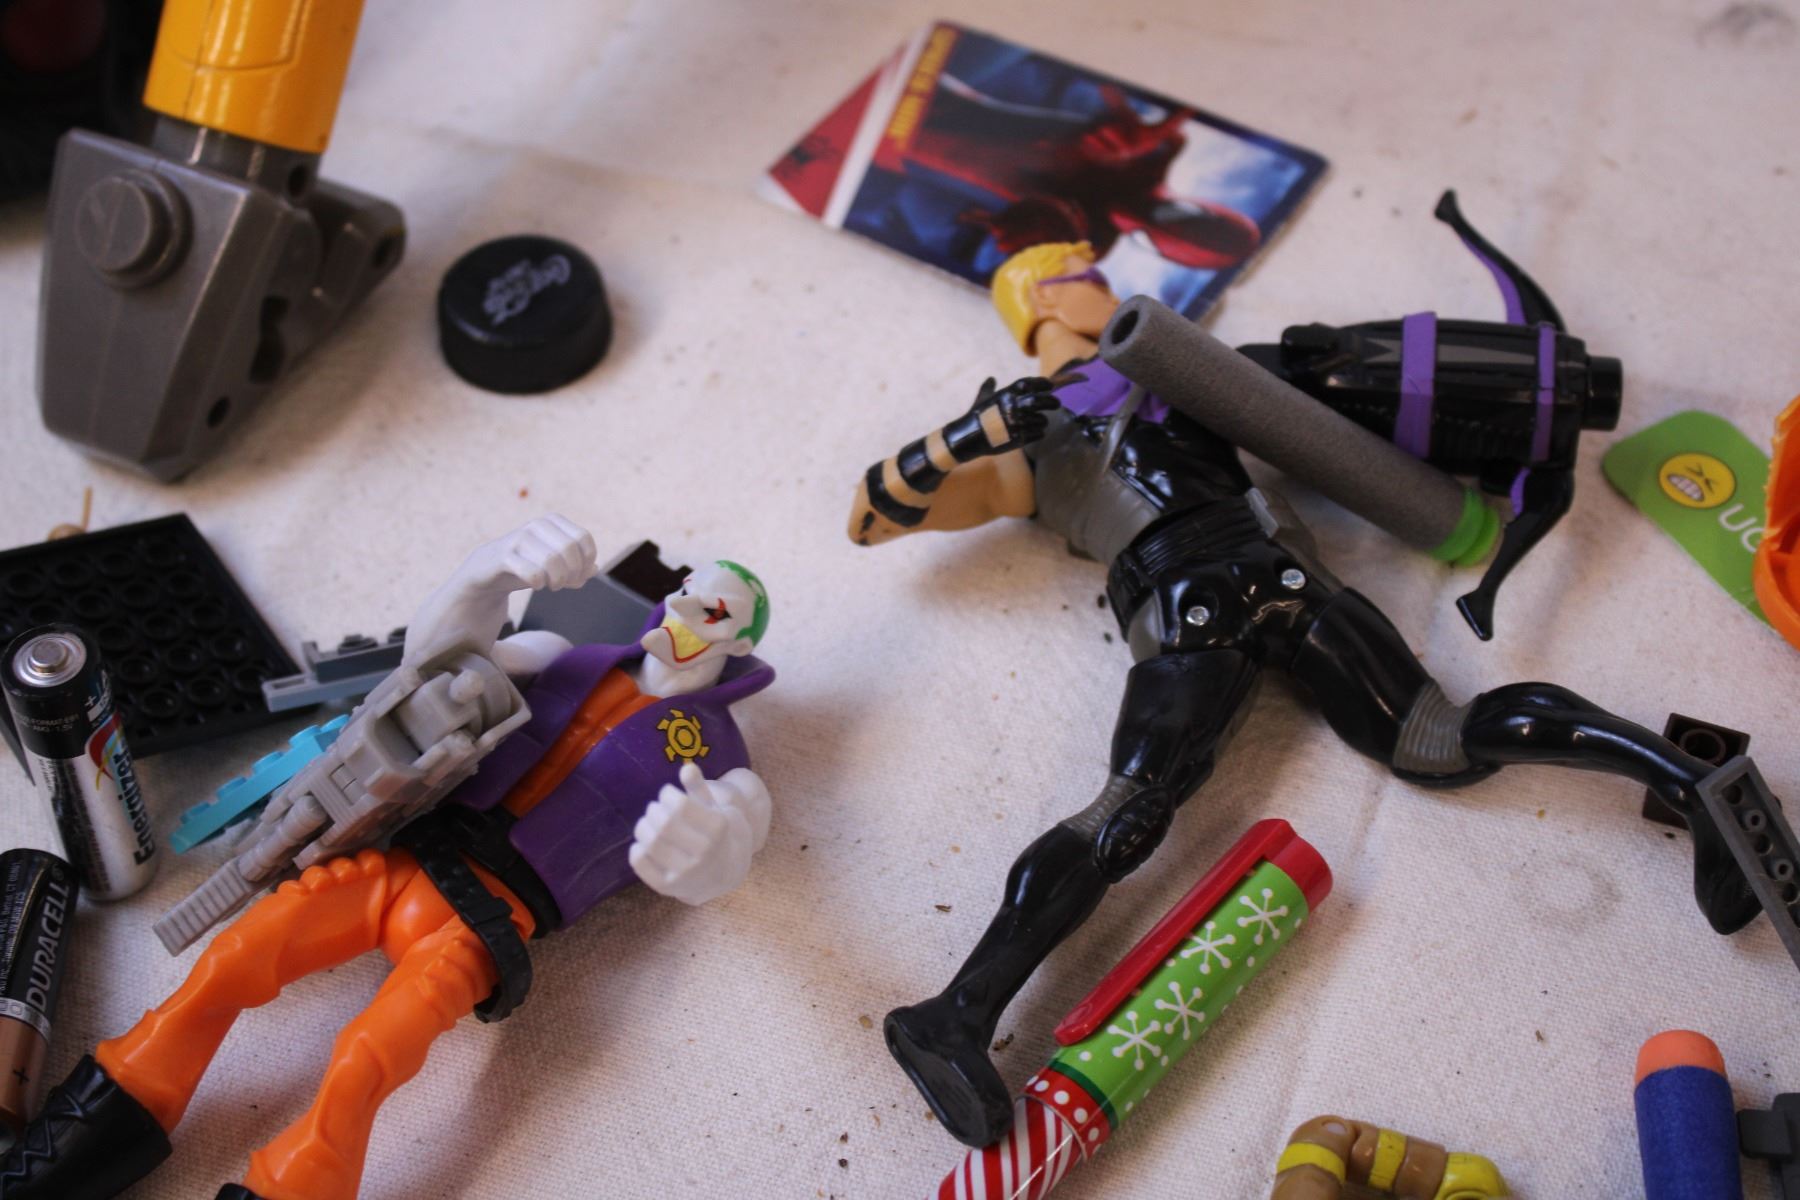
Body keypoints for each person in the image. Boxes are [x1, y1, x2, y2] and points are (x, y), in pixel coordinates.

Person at [849, 244, 1762, 1149]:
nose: (1103, 291)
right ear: (1045, 299)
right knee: (1127, 813)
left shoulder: (1171, 361)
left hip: (1281, 569)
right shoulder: (1028, 437)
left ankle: (1685, 781)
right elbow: (870, 517)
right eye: (1083, 280)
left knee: (1434, 741)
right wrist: (973, 433)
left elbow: (1328, 414)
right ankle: (954, 1017)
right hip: (1185, 602)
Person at [1, 517, 776, 1200]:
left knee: (366, 1061)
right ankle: (97, 1122)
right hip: (409, 860)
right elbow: (436, 665)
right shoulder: (563, 658)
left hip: (487, 924)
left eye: (713, 610)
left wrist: (705, 852)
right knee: (233, 959)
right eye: (685, 593)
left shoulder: (723, 758)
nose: (686, 611)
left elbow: (735, 845)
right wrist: (483, 575)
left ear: (740, 644)